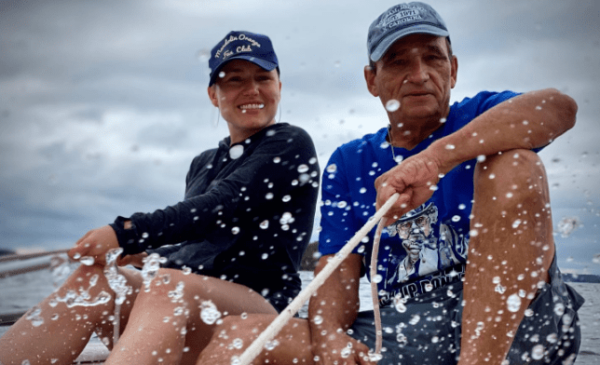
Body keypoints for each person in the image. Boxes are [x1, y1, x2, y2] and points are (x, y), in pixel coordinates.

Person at [195, 3, 584, 365]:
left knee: (517, 162)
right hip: (408, 331)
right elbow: (338, 269)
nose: (418, 75)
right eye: (397, 63)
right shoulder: (350, 162)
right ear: (372, 80)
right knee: (238, 335)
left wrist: (435, 159)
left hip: (521, 324)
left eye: (433, 57)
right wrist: (330, 336)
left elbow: (558, 108)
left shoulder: (481, 115)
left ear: (453, 69)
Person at [0, 30, 320, 365]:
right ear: (214, 94)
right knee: (95, 278)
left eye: (263, 78)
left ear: (279, 87)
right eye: (235, 80)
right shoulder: (204, 163)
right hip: (191, 311)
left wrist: (124, 232)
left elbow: (219, 207)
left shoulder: (290, 143)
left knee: (170, 285)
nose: (251, 89)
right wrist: (147, 254)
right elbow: (207, 246)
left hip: (264, 315)